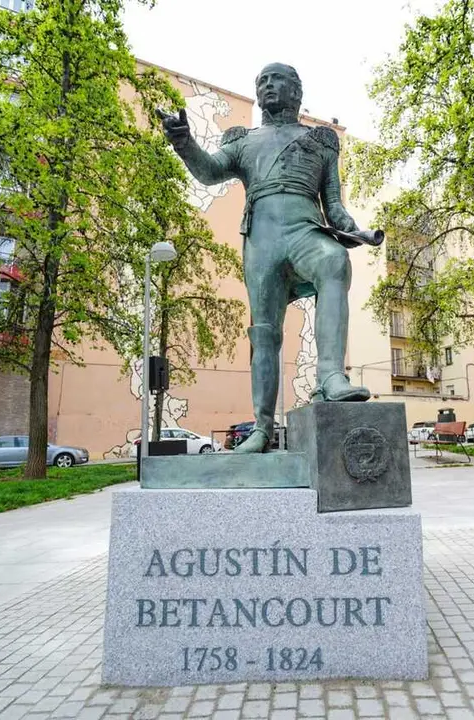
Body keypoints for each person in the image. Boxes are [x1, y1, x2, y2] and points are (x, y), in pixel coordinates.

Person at [158, 63, 374, 453]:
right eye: (262, 81)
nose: (268, 85)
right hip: (262, 238)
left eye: (278, 80)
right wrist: (184, 142)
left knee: (333, 261)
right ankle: (261, 427)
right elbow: (208, 172)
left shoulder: (321, 142)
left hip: (305, 229)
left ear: (296, 92)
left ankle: (330, 377)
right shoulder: (243, 141)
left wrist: (354, 229)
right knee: (265, 332)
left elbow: (334, 205)